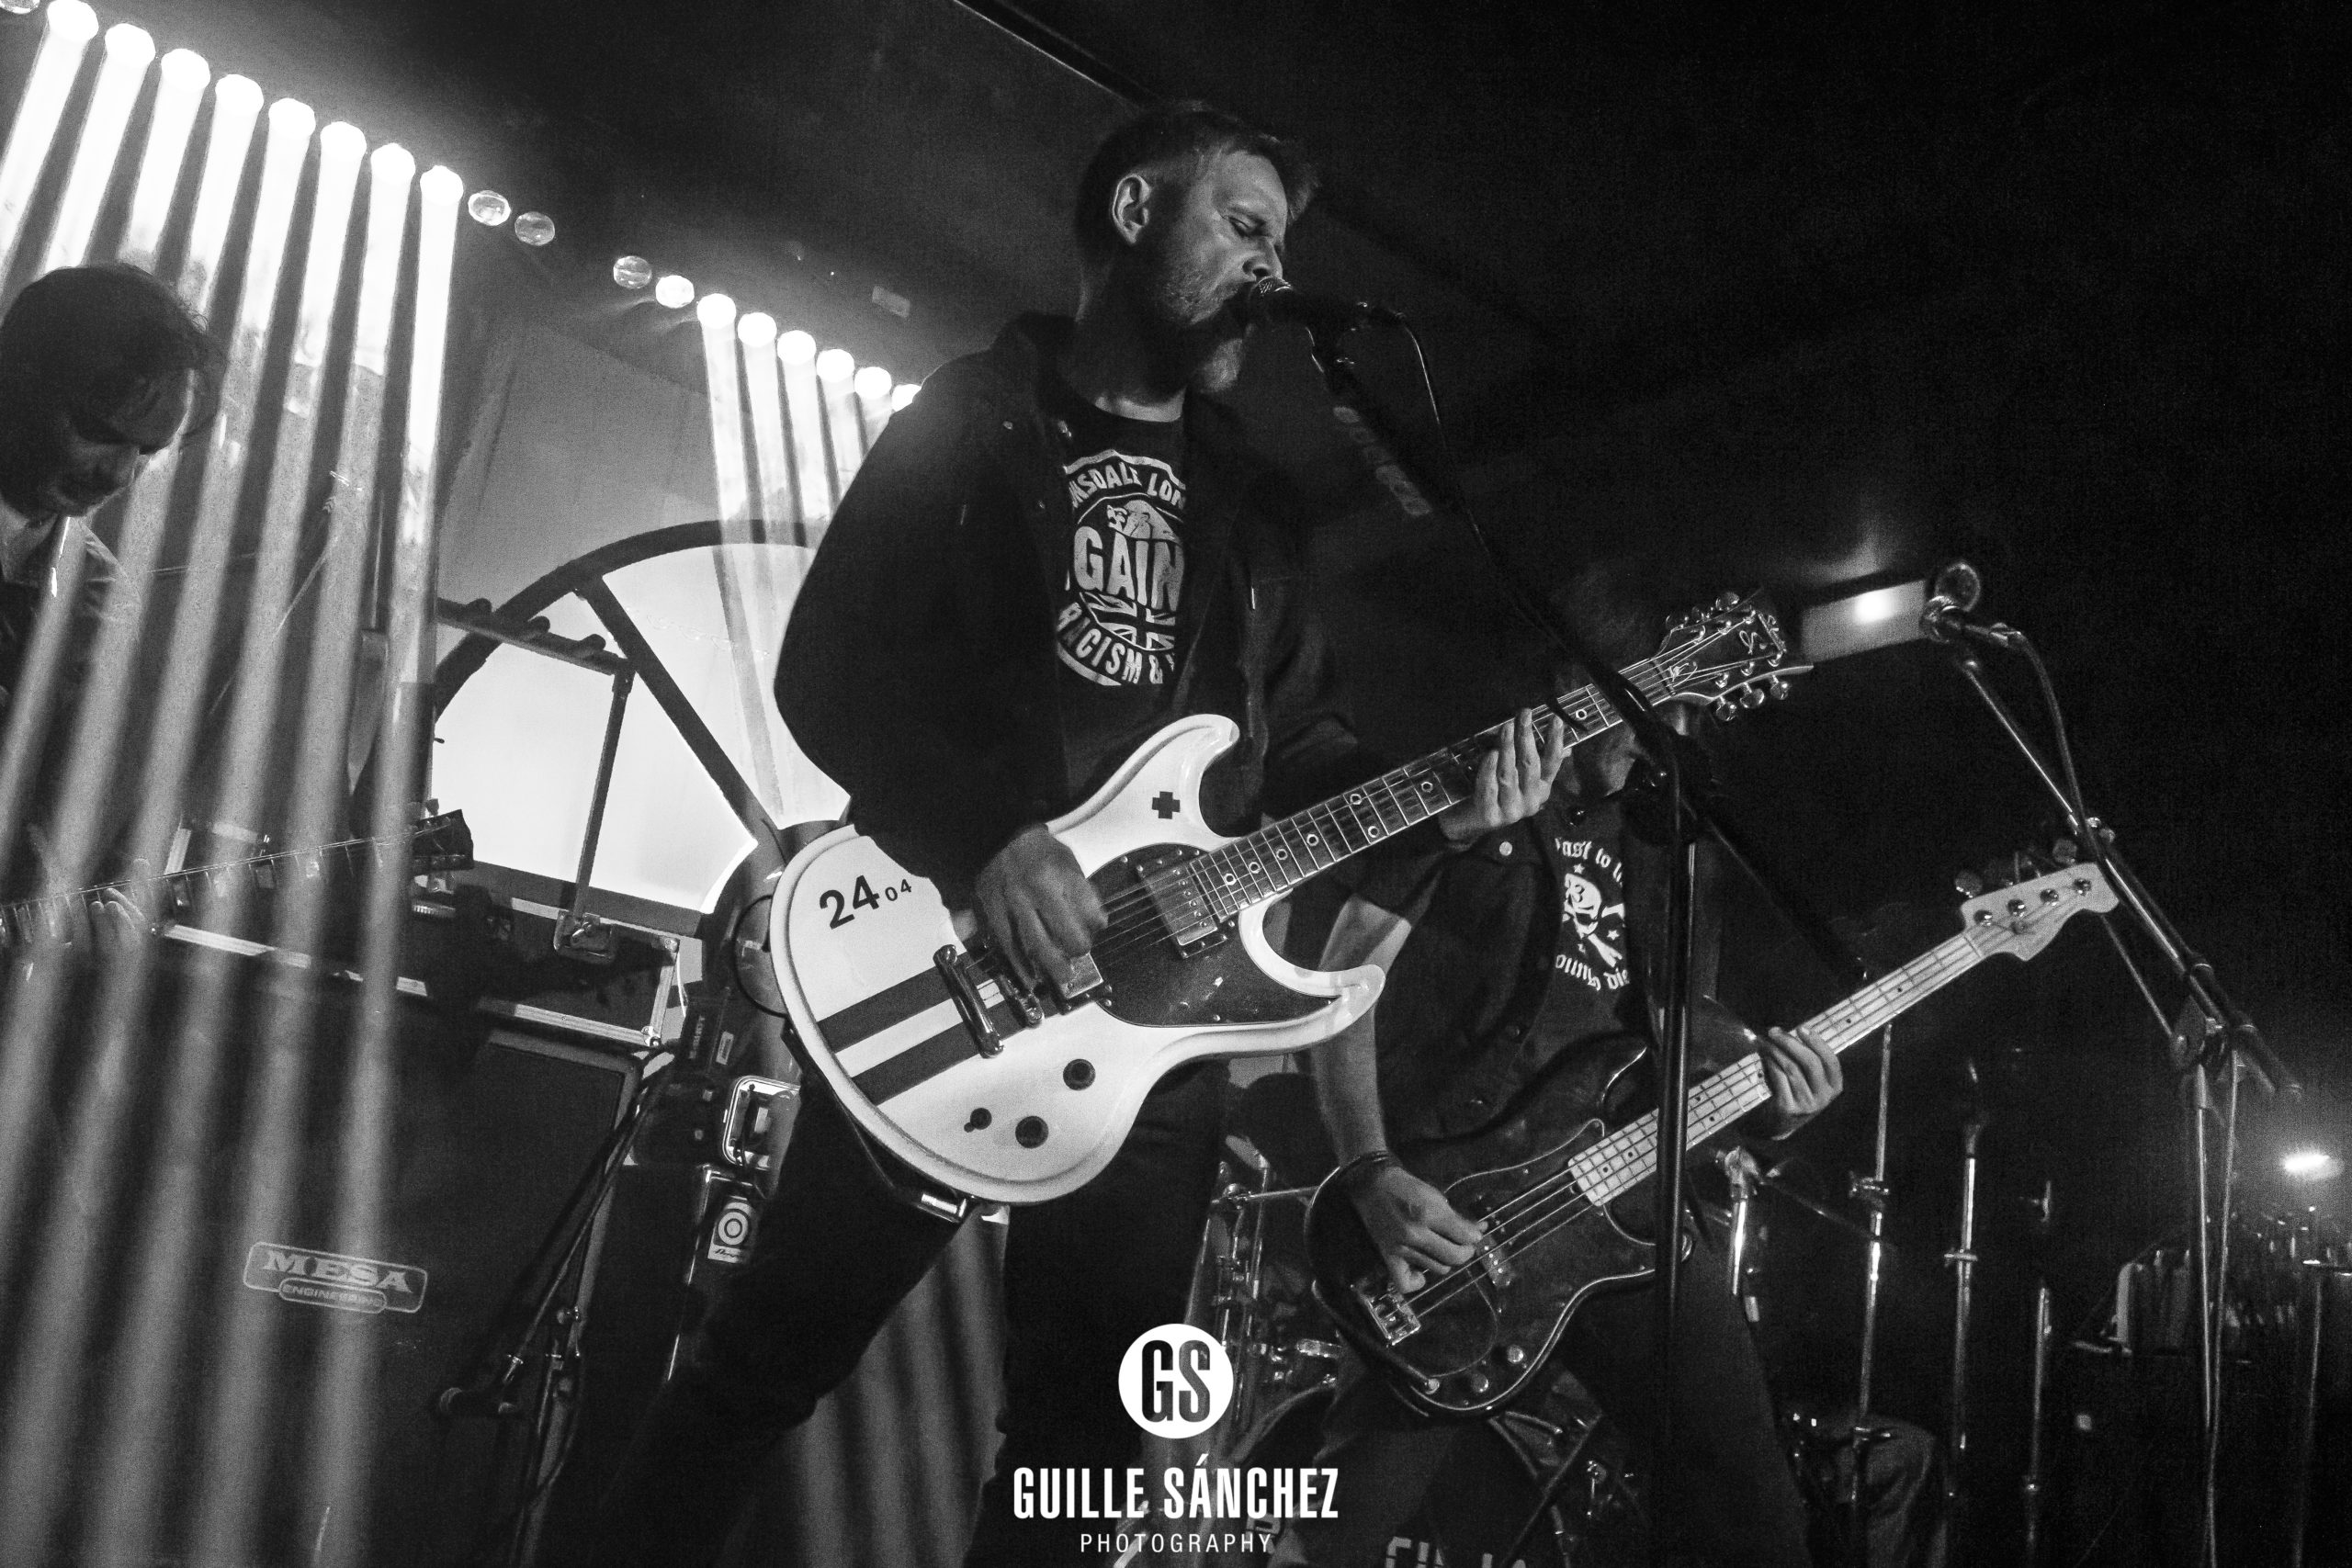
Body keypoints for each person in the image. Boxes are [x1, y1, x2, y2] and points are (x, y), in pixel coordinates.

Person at [590, 104, 1565, 1567]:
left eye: (1282, 244)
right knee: (757, 1371)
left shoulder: (1256, 505)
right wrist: (988, 833)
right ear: (1134, 212)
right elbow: (829, 667)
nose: (1272, 268)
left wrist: (1449, 809)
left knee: (1081, 1456)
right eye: (1244, 225)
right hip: (942, 965)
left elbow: (1303, 758)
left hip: (1158, 1024)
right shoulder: (974, 414)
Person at [1269, 702, 1844, 1568]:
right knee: (1339, 1536)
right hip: (1465, 1220)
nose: (1660, 733)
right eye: (1648, 704)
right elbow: (1343, 976)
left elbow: (1675, 1051)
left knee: (1756, 1530)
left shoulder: (1673, 844)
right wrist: (1368, 1166)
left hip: (1632, 1219)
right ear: (1583, 684)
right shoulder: (1478, 784)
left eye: (1683, 713)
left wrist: (1776, 1109)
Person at [0, 262, 215, 905]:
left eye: (148, 452)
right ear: (17, 383)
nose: (120, 475)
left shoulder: (104, 607)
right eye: (101, 431)